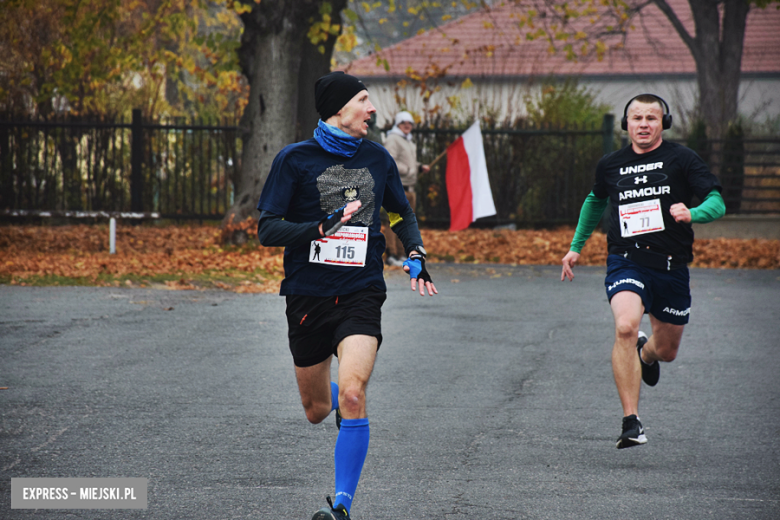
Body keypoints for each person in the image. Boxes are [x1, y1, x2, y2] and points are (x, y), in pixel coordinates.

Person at [256, 71, 438, 520]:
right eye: (363, 100)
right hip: (306, 296)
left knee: (354, 394)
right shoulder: (293, 160)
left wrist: (414, 249)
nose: (372, 109)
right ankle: (332, 402)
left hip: (360, 292)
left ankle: (341, 507)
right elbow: (267, 229)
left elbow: (400, 210)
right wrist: (319, 228)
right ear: (338, 109)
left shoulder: (377, 159)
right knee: (317, 409)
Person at [560, 94, 726, 449]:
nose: (644, 124)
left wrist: (693, 213)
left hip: (671, 266)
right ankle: (631, 422)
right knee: (625, 326)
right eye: (637, 118)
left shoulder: (682, 159)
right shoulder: (611, 164)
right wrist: (576, 247)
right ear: (627, 124)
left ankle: (645, 353)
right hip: (627, 258)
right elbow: (595, 202)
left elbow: (716, 200)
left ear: (662, 122)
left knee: (666, 351)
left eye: (651, 117)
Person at [382, 111, 430, 266]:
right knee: (394, 221)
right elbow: (390, 160)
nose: (407, 125)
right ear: (398, 124)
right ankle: (392, 255)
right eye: (404, 123)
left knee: (406, 223)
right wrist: (409, 171)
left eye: (410, 123)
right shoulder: (393, 139)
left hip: (410, 188)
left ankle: (402, 254)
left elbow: (407, 162)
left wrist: (419, 167)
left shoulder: (408, 141)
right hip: (398, 187)